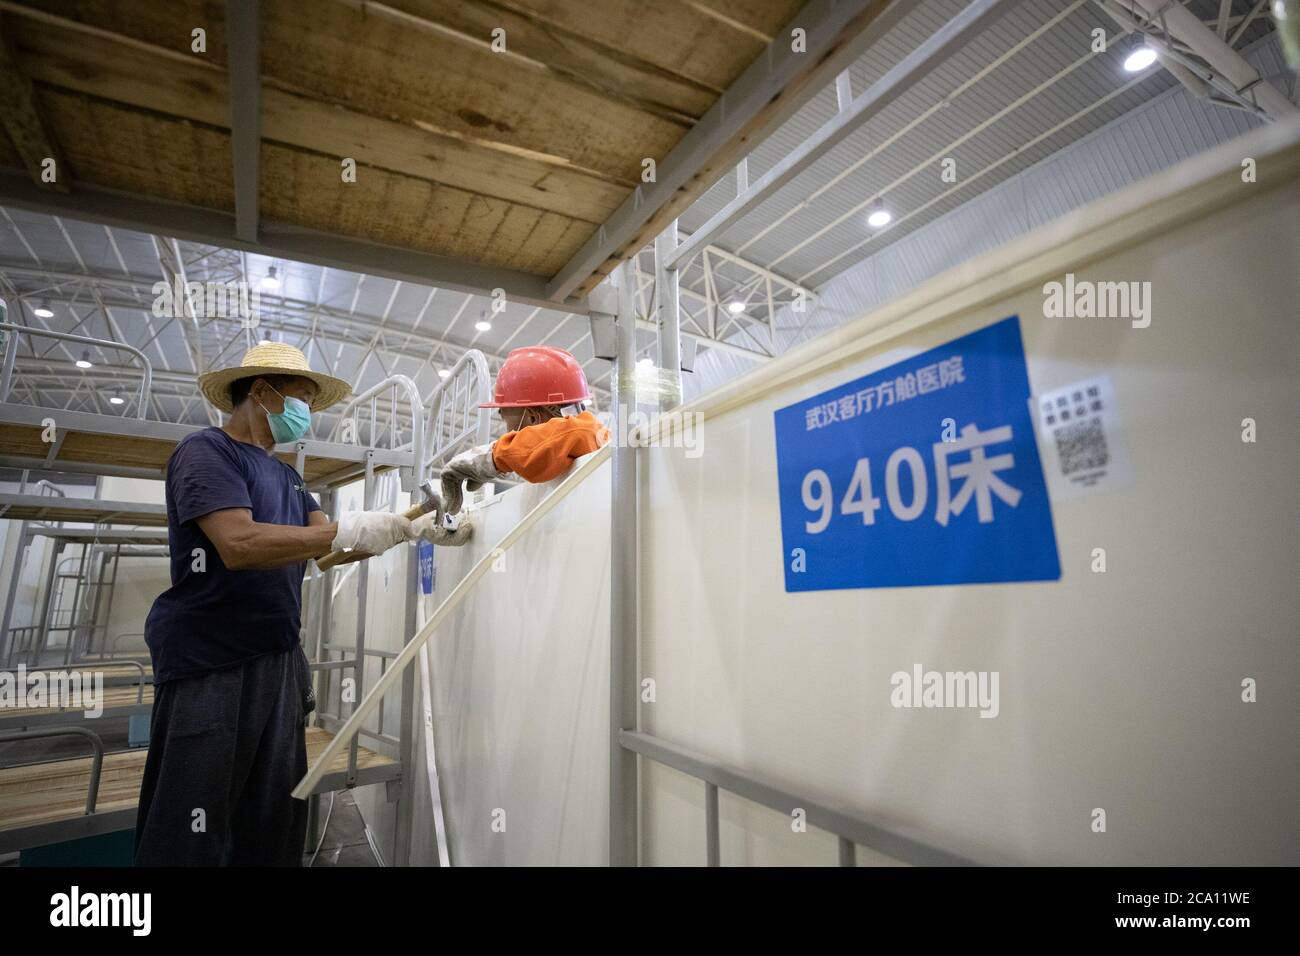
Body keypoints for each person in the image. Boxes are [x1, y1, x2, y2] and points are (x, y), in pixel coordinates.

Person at [134, 342, 414, 866]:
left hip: (279, 656)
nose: (306, 413)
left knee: (275, 811)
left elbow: (327, 546)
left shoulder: (287, 475)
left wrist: (402, 528)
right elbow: (239, 546)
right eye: (301, 398)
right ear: (261, 393)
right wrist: (349, 528)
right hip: (211, 659)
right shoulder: (206, 451)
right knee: (192, 815)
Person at [439, 346, 609, 514]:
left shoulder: (582, 434)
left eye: (506, 419)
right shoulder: (583, 447)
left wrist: (493, 458)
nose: (507, 434)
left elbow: (567, 434)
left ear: (533, 417)